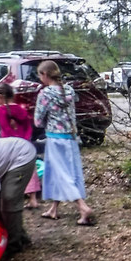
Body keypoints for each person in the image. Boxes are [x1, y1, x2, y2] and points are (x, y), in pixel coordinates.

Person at [34, 59, 95, 225]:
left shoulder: (45, 94)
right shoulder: (68, 90)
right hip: (71, 138)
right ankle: (53, 209)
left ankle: (83, 207)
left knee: (61, 175)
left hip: (55, 139)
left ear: (45, 75)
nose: (40, 79)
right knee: (68, 173)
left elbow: (38, 121)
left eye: (40, 75)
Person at [0, 82, 41, 208]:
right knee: (30, 170)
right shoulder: (21, 108)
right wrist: (25, 139)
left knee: (8, 171)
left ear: (0, 96)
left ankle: (10, 198)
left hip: (10, 145)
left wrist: (10, 142)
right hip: (25, 143)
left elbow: (5, 128)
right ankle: (33, 199)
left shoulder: (1, 110)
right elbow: (28, 126)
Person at [0, 137, 37, 253]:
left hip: (22, 155)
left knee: (9, 198)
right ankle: (19, 236)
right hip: (5, 160)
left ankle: (14, 245)